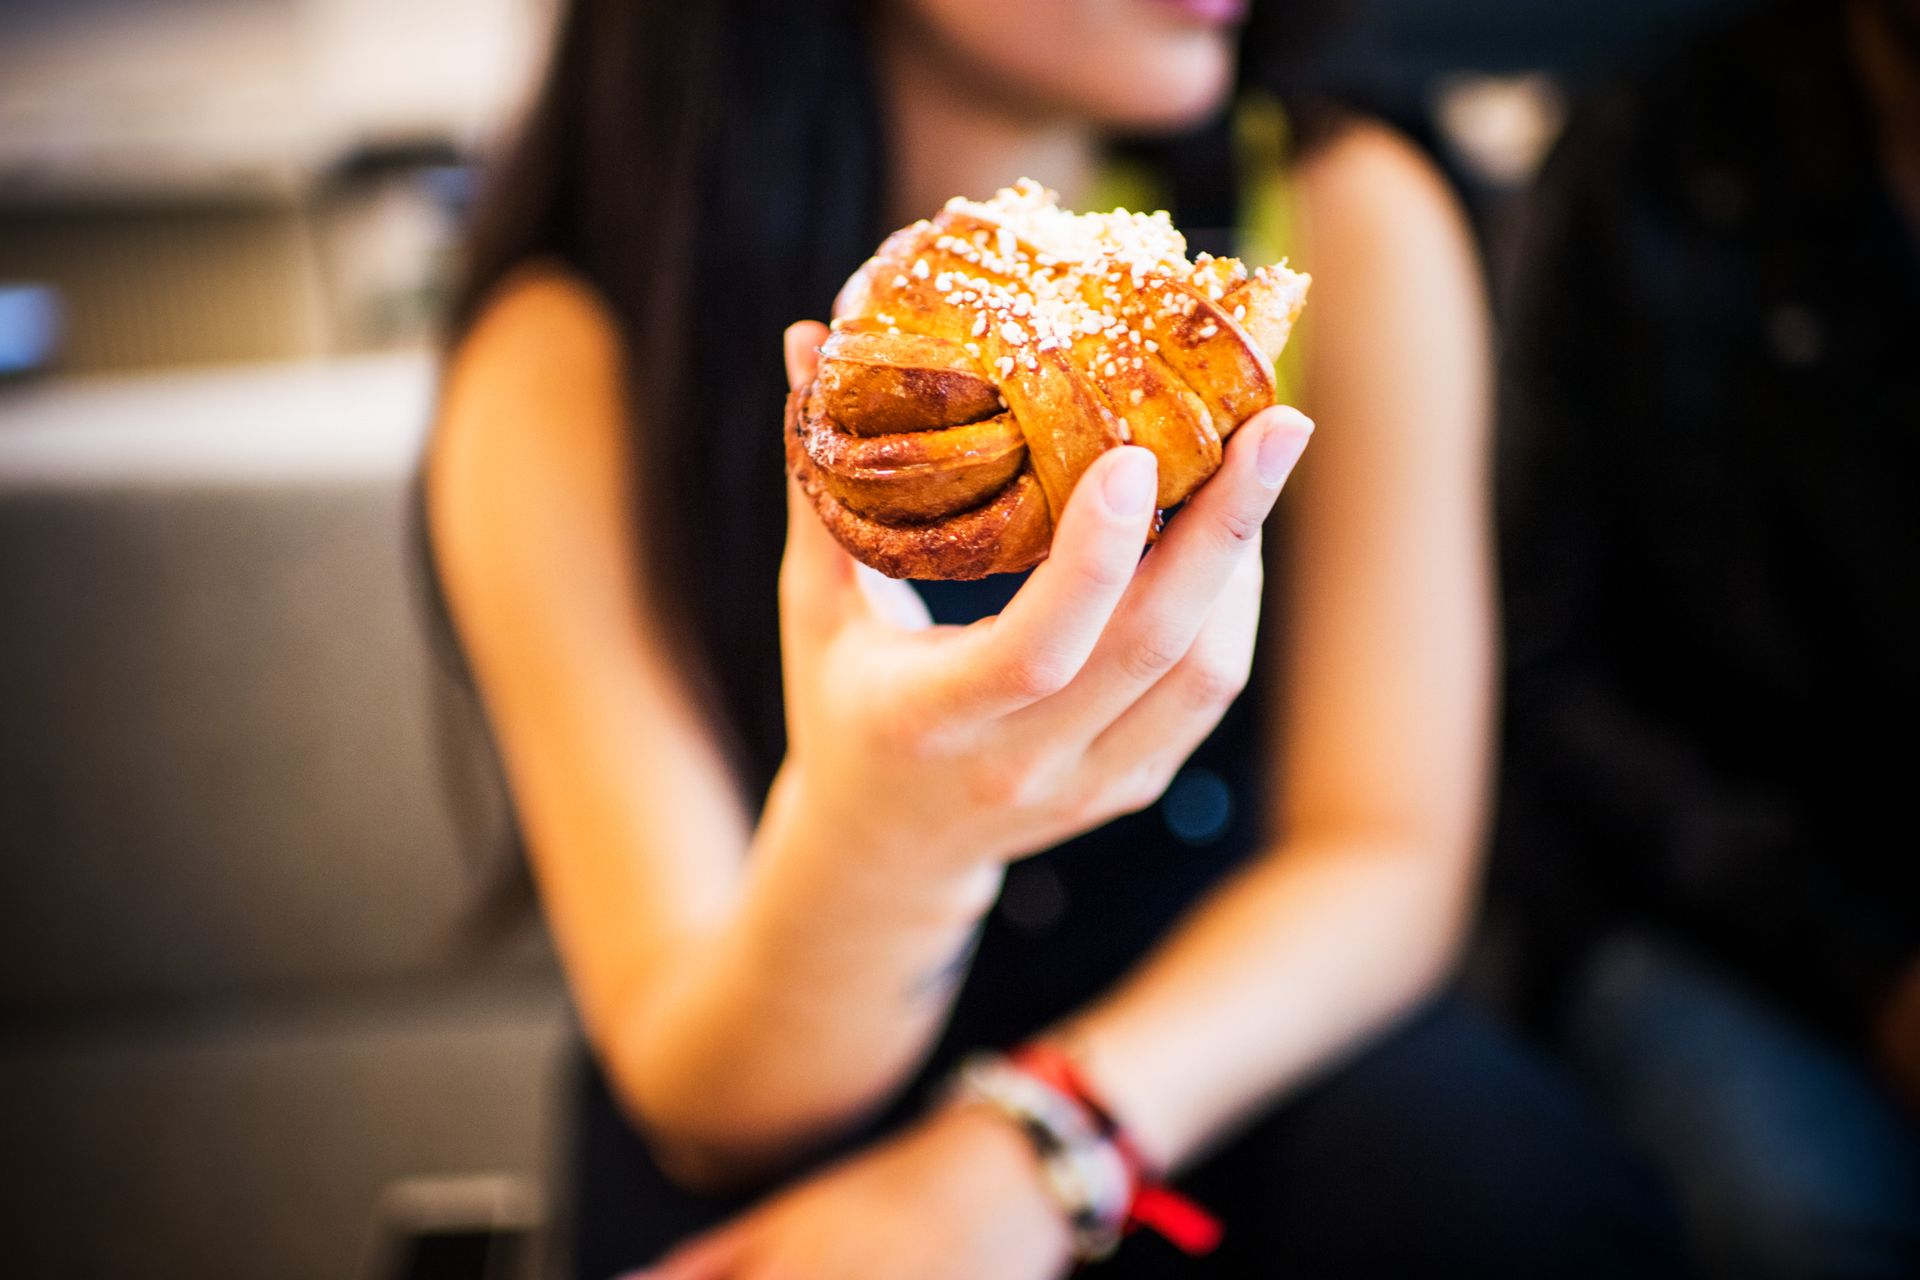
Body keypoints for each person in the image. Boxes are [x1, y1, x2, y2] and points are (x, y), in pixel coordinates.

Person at [426, 1, 1683, 1276]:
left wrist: (1034, 1147)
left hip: (1226, 1029)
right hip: (799, 1049)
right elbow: (703, 1097)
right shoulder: (567, 364)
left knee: (1514, 1200)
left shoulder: (1334, 215)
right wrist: (884, 844)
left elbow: (1384, 854)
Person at [1495, 1, 1920, 1275]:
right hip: (1725, 909)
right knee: (1795, 1213)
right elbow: (1551, 674)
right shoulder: (1652, 163)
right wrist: (1872, 965)